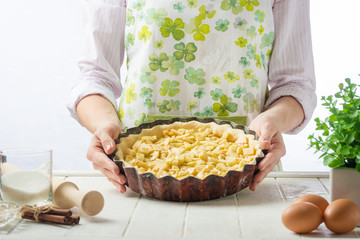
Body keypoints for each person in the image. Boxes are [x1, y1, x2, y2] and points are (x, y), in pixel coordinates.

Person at [67, 0, 316, 193]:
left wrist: (274, 120)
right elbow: (95, 75)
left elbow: (295, 84)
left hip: (246, 177)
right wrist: (103, 125)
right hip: (140, 175)